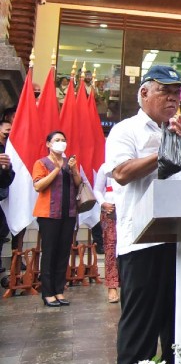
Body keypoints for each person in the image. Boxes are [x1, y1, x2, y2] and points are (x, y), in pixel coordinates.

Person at [106, 65, 181, 364]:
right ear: (144, 92)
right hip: (143, 242)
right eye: (165, 91)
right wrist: (162, 152)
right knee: (140, 325)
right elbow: (121, 173)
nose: (173, 99)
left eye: (177, 93)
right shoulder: (125, 130)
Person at [32, 130, 82, 308]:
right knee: (50, 253)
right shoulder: (41, 163)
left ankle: (59, 290)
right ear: (48, 144)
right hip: (48, 215)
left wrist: (73, 169)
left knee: (63, 253)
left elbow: (78, 185)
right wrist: (57, 169)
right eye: (57, 140)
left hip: (68, 214)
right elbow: (38, 185)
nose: (61, 143)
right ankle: (48, 293)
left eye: (63, 140)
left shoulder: (70, 163)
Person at [94, 163, 121, 303]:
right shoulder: (105, 167)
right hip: (110, 209)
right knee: (110, 247)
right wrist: (103, 203)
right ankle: (112, 286)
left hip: (129, 207)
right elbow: (97, 190)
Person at [0, 119, 15, 271]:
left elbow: (6, 181)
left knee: (3, 228)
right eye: (7, 130)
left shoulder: (10, 149)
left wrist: (6, 169)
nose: (9, 134)